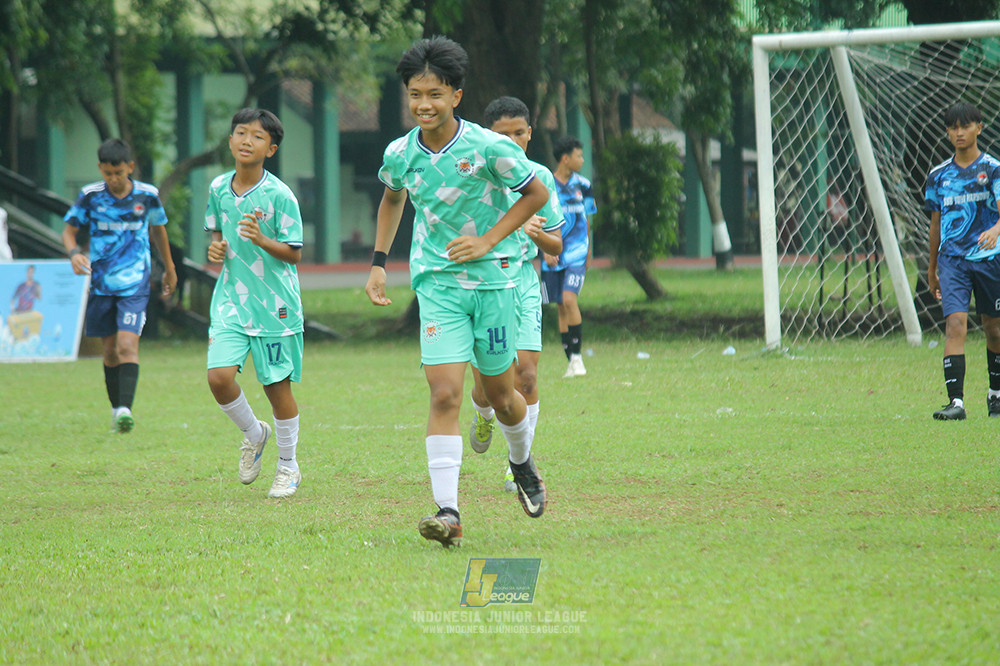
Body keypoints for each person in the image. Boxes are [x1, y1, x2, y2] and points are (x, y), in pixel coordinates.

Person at [365, 36, 551, 548]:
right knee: (445, 392)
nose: (424, 104)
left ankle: (521, 461)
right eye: (415, 94)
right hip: (437, 287)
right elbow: (391, 200)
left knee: (502, 396)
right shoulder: (400, 153)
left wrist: (489, 239)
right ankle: (448, 512)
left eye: (435, 94)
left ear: (456, 96)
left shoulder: (489, 147)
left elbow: (538, 192)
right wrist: (379, 264)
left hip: (494, 285)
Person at [205, 108, 305, 499]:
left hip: (275, 305)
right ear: (230, 141)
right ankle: (253, 433)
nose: (247, 140)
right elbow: (217, 234)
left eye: (257, 136)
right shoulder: (216, 188)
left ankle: (288, 466)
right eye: (241, 133)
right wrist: (216, 249)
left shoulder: (280, 195)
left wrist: (262, 239)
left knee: (276, 389)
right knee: (219, 377)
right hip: (231, 299)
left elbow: (295, 254)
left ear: (272, 148)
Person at [468, 96, 564, 493]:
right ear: (487, 136)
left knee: (525, 373)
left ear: (530, 133)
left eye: (518, 133)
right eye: (501, 135)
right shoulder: (471, 174)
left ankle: (517, 462)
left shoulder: (541, 176)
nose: (511, 140)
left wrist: (539, 235)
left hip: (523, 281)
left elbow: (556, 245)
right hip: (482, 281)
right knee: (488, 388)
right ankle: (483, 414)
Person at [63, 138, 177, 434]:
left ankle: (126, 409)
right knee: (110, 352)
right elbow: (69, 232)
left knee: (128, 346)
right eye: (108, 173)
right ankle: (117, 410)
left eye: (119, 173)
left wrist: (169, 268)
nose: (114, 179)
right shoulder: (90, 196)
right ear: (100, 168)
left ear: (130, 167)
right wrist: (75, 254)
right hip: (101, 285)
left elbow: (158, 231)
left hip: (135, 284)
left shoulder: (147, 195)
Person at [925, 101, 1000, 421]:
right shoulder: (938, 176)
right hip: (952, 261)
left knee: (994, 329)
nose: (959, 132)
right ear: (947, 132)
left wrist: (996, 228)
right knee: (955, 324)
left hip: (989, 260)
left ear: (979, 128)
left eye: (965, 126)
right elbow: (935, 224)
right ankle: (955, 402)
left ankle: (995, 395)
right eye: (953, 127)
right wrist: (931, 268)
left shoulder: (993, 169)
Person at [541, 135, 597, 379]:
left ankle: (577, 356)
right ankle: (570, 361)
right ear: (565, 158)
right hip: (551, 253)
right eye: (578, 155)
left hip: (576, 253)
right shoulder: (545, 184)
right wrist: (545, 249)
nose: (582, 160)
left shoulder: (583, 185)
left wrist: (589, 248)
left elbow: (587, 218)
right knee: (560, 305)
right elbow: (539, 218)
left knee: (569, 299)